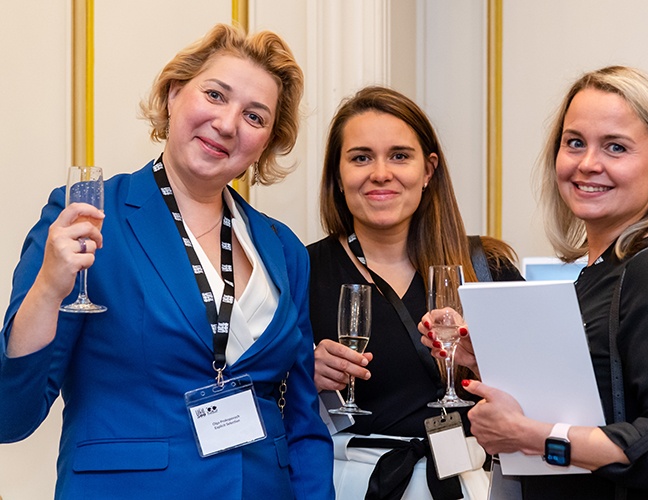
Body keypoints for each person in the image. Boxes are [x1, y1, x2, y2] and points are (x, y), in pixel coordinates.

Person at [0, 23, 333, 499]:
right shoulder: (89, 215)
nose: (228, 124)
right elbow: (11, 414)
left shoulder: (284, 249)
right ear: (175, 93)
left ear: (266, 142)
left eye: (254, 116)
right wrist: (49, 288)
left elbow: (302, 424)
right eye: (215, 95)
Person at [420, 65, 648, 499]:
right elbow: (590, 407)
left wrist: (528, 437)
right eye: (575, 142)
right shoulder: (601, 272)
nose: (588, 164)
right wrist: (482, 361)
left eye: (615, 147)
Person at [307, 85, 523, 499]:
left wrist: (483, 361)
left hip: (468, 483)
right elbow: (266, 394)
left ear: (428, 170)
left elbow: (543, 394)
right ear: (337, 175)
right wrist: (304, 374)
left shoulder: (487, 268)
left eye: (399, 156)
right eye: (361, 157)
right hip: (351, 486)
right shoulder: (300, 271)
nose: (380, 173)